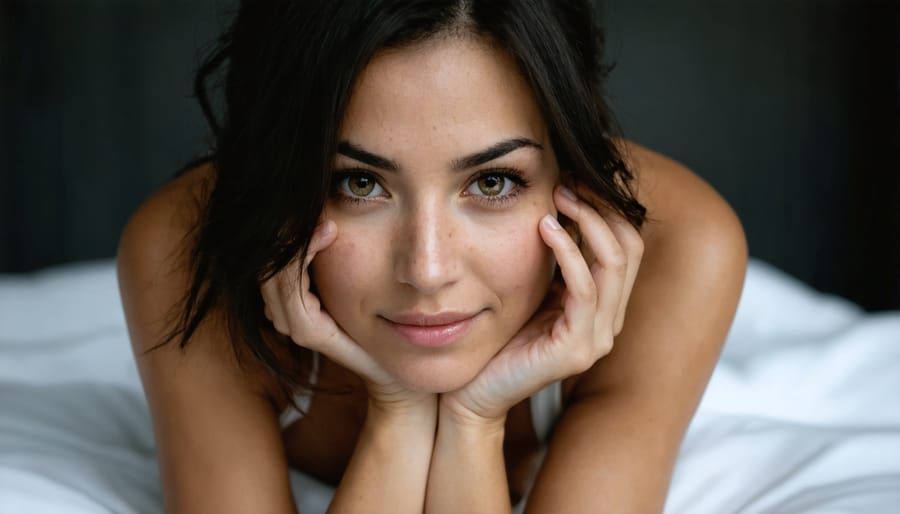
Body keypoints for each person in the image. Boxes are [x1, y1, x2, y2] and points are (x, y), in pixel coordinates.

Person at [117, 1, 747, 512]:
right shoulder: (181, 249)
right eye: (360, 183)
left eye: (492, 182)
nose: (427, 269)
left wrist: (474, 420)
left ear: (571, 168)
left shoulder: (682, 250)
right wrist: (399, 412)